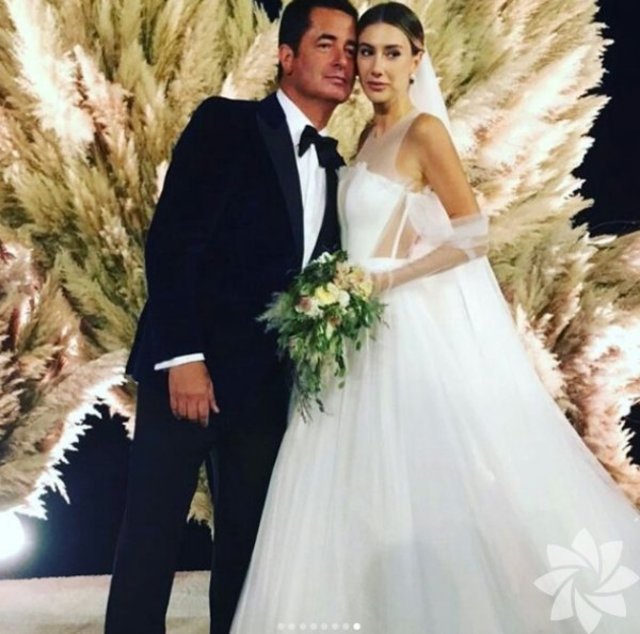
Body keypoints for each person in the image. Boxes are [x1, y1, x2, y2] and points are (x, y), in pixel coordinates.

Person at [230, 3, 640, 632]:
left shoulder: (424, 133)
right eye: (366, 52)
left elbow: (473, 234)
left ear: (417, 59)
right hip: (350, 334)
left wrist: (385, 280)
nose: (374, 66)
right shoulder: (365, 139)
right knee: (351, 485)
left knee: (418, 478)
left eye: (392, 53)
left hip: (399, 328)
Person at [104, 1, 357, 632]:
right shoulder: (226, 123)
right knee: (151, 538)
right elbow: (173, 242)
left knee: (247, 552)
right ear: (287, 56)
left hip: (265, 391)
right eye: (326, 44)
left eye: (352, 49)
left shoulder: (336, 168)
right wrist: (184, 358)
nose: (343, 60)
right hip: (188, 372)